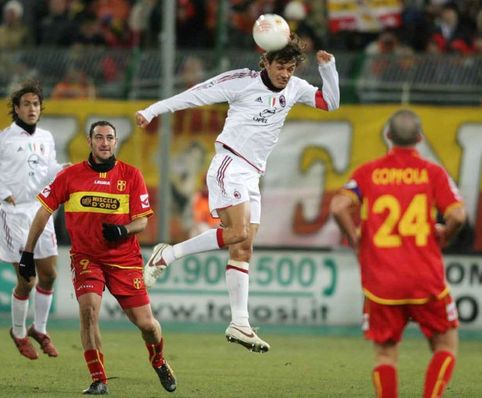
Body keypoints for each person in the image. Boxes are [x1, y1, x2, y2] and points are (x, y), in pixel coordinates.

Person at [136, 33, 340, 353]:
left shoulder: (296, 88)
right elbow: (195, 95)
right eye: (280, 67)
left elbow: (330, 102)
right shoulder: (242, 82)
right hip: (229, 164)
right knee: (237, 233)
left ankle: (239, 323)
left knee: (243, 248)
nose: (285, 74)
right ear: (266, 62)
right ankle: (168, 254)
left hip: (253, 175)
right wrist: (152, 110)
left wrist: (329, 70)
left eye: (290, 68)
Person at [19, 121, 176, 395]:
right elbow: (43, 212)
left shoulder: (131, 175)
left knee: (147, 326)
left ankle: (159, 360)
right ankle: (98, 378)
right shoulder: (70, 176)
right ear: (89, 142)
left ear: (116, 142)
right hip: (86, 258)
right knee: (89, 311)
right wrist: (28, 252)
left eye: (110, 138)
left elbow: (141, 222)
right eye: (99, 138)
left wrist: (122, 230)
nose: (105, 143)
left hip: (124, 260)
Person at [330, 109, 466, 398]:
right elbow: (458, 215)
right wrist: (446, 234)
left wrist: (355, 239)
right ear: (419, 137)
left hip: (381, 281)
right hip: (424, 277)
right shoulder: (432, 172)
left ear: (388, 136)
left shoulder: (368, 172)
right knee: (445, 346)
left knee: (385, 356)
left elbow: (338, 206)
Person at [0, 81, 64, 360]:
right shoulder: (4, 139)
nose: (32, 108)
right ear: (16, 109)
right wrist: (3, 194)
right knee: (27, 280)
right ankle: (18, 331)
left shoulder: (47, 138)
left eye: (36, 104)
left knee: (49, 275)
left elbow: (48, 170)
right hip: (13, 214)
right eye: (26, 104)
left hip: (41, 210)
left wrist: (65, 170)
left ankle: (39, 329)